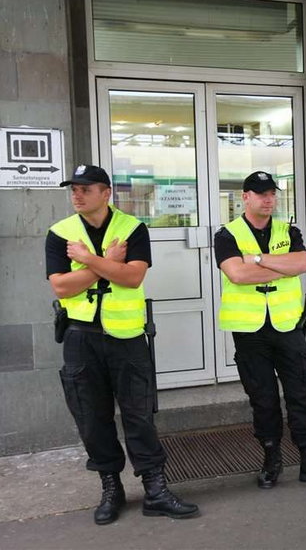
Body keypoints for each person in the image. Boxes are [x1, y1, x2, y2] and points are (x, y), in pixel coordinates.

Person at [46, 165, 199, 525]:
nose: (77, 195)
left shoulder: (132, 228)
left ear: (106, 193)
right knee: (91, 417)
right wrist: (105, 264)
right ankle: (110, 487)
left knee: (139, 416)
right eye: (74, 189)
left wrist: (87, 261)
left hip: (127, 337)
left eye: (85, 189)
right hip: (80, 337)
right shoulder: (59, 233)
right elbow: (61, 288)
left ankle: (155, 489)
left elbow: (132, 277)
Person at [214, 171, 306, 488]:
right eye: (260, 193)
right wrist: (279, 268)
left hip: (287, 326)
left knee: (302, 392)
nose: (268, 199)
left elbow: (302, 264)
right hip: (249, 330)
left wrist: (258, 259)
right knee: (263, 398)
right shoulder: (226, 235)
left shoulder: (289, 230)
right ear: (245, 197)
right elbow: (237, 275)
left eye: (272, 193)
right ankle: (271, 458)